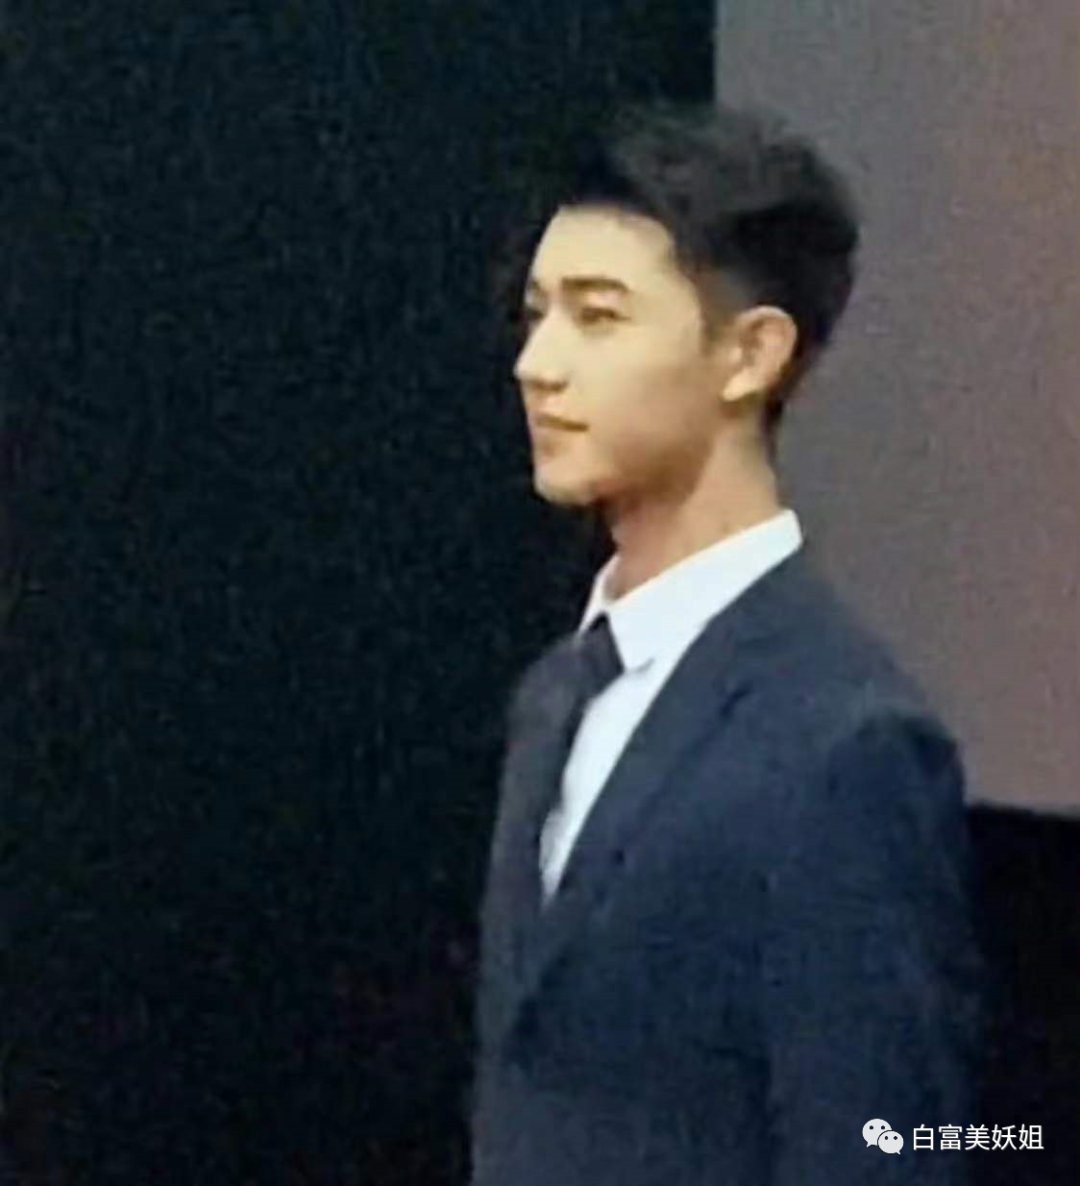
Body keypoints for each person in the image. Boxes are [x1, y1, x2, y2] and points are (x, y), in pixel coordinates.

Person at [470, 100, 983, 1186]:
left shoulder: (844, 746)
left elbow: (884, 1145)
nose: (537, 364)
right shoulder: (554, 695)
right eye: (536, 314)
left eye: (598, 317)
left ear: (750, 355)